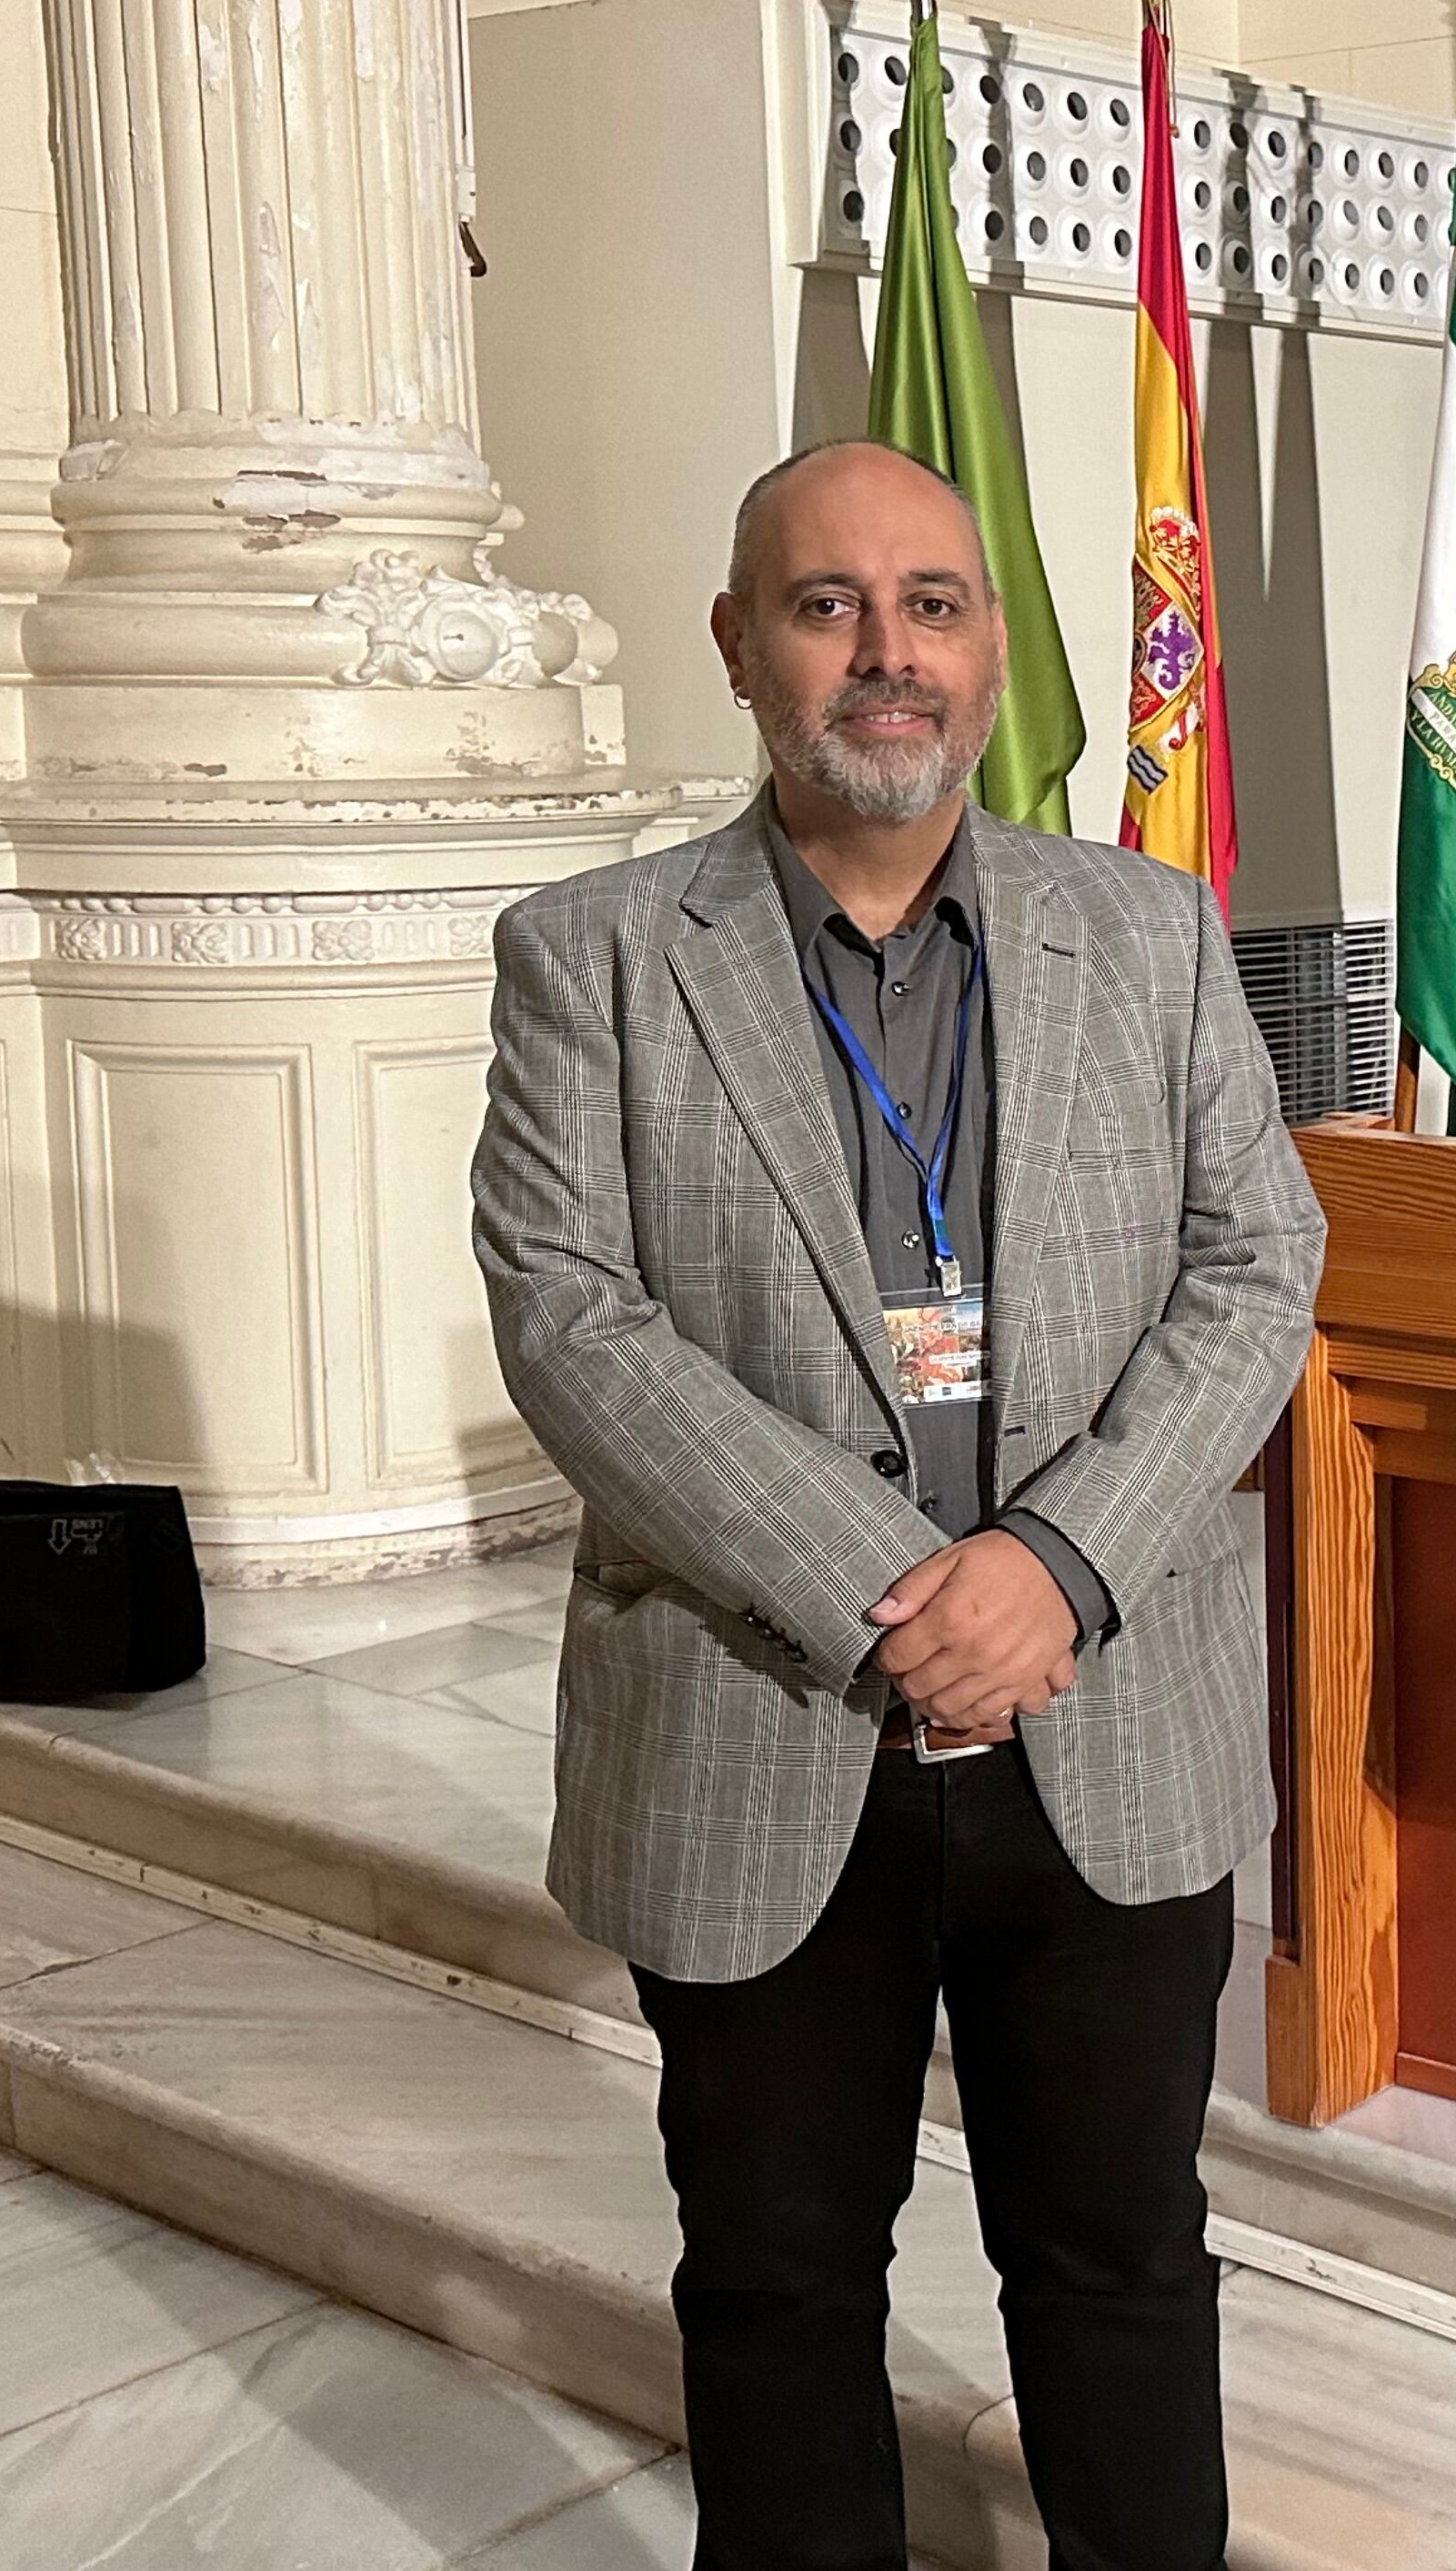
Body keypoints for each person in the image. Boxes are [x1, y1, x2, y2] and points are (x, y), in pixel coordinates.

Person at [472, 437, 1325, 2571]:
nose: (887, 653)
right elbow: (572, 1320)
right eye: (829, 603)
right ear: (742, 648)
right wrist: (891, 1588)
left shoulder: (1145, 934)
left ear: (992, 652)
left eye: (931, 604)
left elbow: (1259, 1267)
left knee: (1122, 2266)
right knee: (775, 2289)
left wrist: (1055, 1565)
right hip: (763, 1727)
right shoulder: (594, 957)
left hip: (1100, 1729)